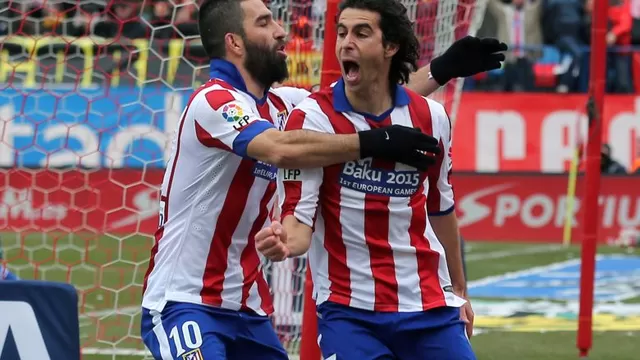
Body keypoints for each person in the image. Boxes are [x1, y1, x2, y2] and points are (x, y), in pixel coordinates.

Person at [140, 0, 506, 358]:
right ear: (235, 42)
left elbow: (367, 99)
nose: (282, 31)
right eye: (266, 23)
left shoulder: (281, 104)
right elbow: (279, 148)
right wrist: (374, 141)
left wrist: (441, 69)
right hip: (184, 300)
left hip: (245, 306)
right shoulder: (215, 101)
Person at [256, 0, 484, 359]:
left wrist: (459, 290)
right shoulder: (312, 119)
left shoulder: (432, 117)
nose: (346, 42)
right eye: (342, 32)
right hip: (349, 311)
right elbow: (299, 221)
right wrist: (283, 242)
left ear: (390, 47)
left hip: (429, 306)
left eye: (361, 33)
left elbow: (442, 209)